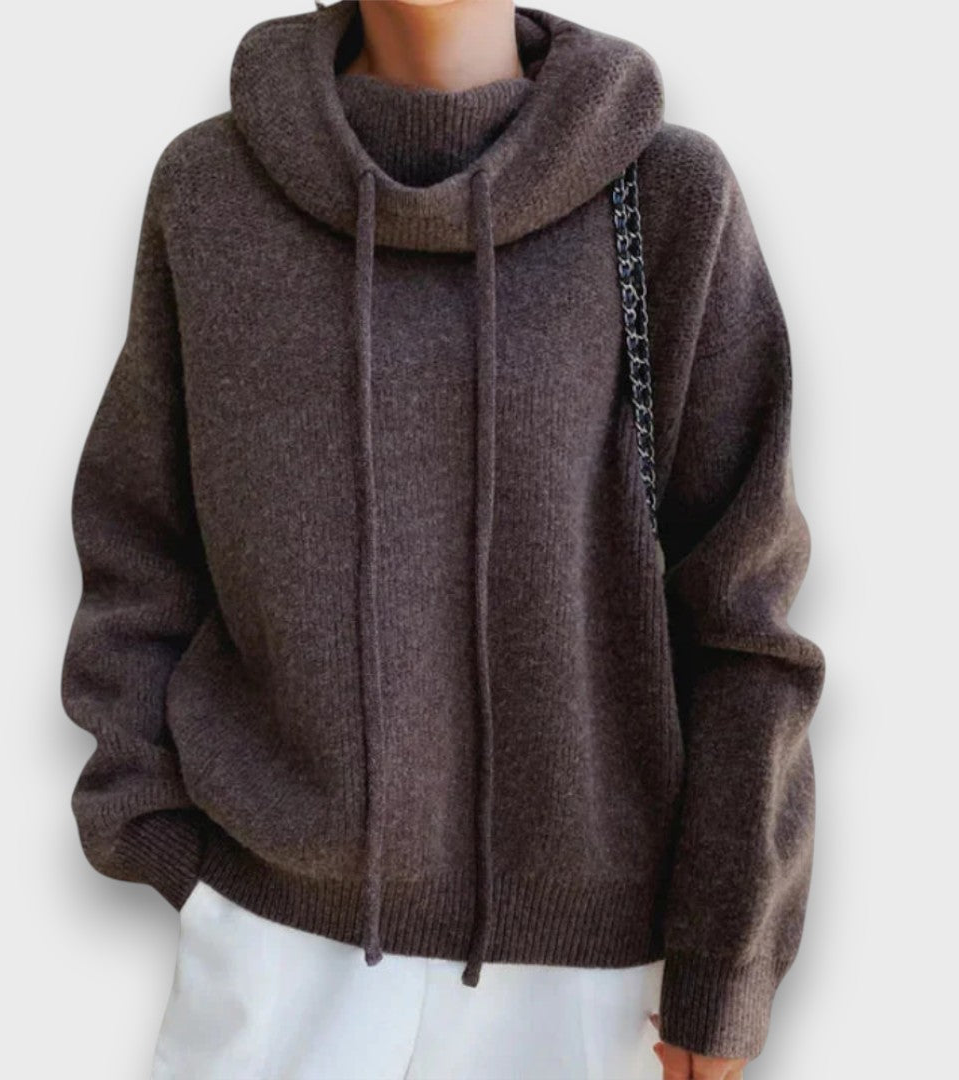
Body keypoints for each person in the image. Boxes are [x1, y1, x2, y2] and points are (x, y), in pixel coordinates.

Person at [61, 1, 826, 1078]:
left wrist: (724, 954)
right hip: (272, 945)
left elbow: (743, 612)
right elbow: (139, 542)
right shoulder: (213, 191)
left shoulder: (663, 196)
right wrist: (157, 835)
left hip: (592, 982)